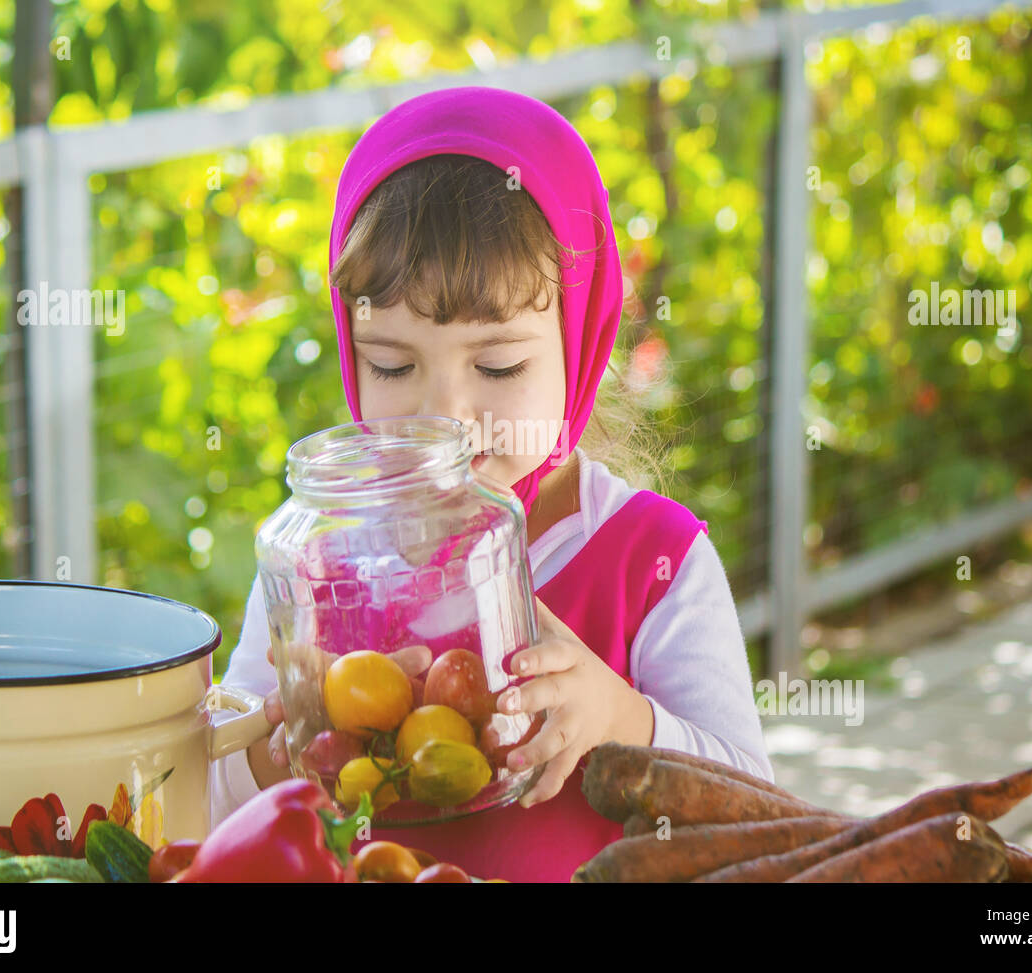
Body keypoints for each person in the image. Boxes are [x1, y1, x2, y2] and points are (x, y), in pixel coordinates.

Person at [210, 86, 771, 882]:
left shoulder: (652, 564)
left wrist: (625, 719)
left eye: (499, 365)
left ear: (576, 344)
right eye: (393, 365)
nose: (448, 421)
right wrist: (271, 755)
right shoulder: (318, 561)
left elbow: (764, 820)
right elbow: (215, 808)